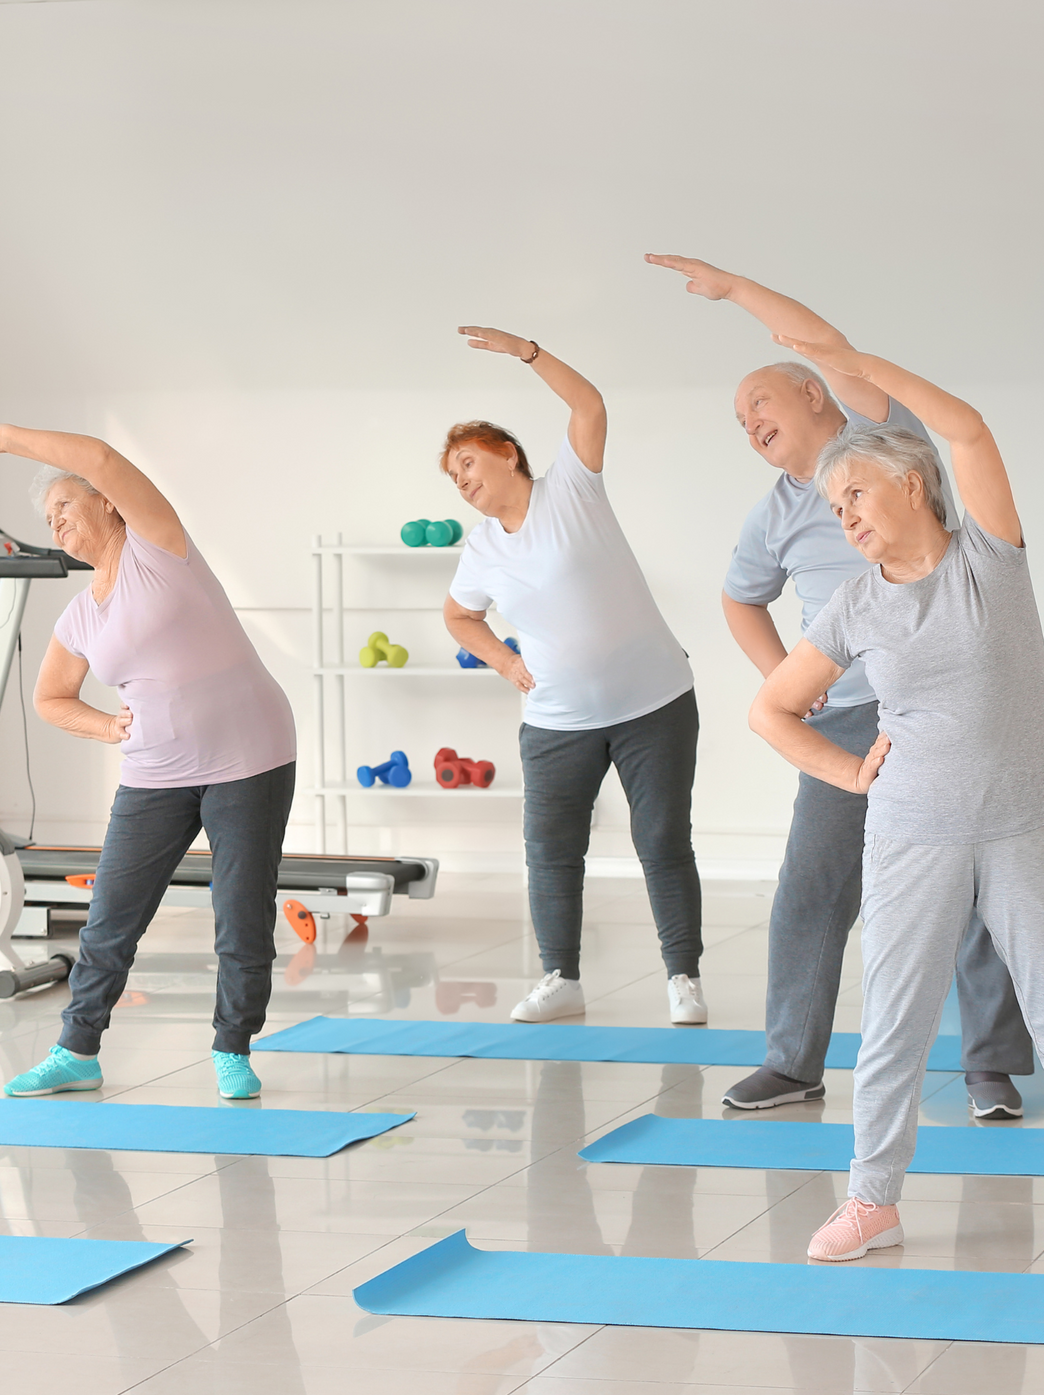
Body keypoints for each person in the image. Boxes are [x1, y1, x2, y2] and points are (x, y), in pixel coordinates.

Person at [647, 254, 1031, 1119]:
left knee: (978, 890)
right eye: (738, 420)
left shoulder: (885, 441)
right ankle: (793, 1062)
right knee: (812, 887)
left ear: (813, 394)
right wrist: (784, 678)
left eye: (760, 404)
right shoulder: (775, 511)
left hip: (951, 703)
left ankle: (989, 1066)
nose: (748, 423)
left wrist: (736, 292)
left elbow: (824, 342)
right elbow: (739, 600)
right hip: (853, 713)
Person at [748, 333, 1044, 1261]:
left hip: (1021, 825)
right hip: (913, 830)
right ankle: (871, 1202)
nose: (845, 518)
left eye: (856, 495)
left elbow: (970, 428)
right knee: (896, 1021)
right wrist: (848, 774)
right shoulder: (856, 605)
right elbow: (771, 710)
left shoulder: (989, 558)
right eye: (834, 508)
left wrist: (856, 363)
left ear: (911, 484)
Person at [0, 418, 296, 1101]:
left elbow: (100, 455)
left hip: (248, 755)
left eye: (64, 503)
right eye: (47, 516)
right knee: (110, 918)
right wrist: (106, 728)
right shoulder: (80, 613)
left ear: (106, 501)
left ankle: (232, 1047)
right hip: (155, 770)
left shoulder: (160, 547)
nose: (55, 519)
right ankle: (77, 1051)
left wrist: (3, 438)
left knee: (242, 914)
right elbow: (50, 697)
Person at [445, 328, 706, 1027]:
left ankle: (683, 978)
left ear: (507, 453)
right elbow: (459, 616)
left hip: (654, 703)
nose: (462, 480)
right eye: (453, 476)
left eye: (468, 462)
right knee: (552, 852)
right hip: (557, 721)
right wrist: (505, 661)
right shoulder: (480, 549)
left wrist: (527, 352)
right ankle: (561, 978)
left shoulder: (571, 488)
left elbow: (589, 405)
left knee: (662, 842)